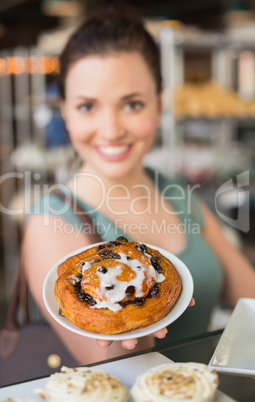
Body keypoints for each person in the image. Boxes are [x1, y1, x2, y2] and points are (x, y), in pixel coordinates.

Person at [22, 6, 255, 366]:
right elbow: (120, 370)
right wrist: (137, 320)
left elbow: (249, 295)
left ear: (160, 103)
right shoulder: (51, 222)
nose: (112, 129)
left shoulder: (174, 189)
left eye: (132, 104)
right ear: (65, 110)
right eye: (87, 107)